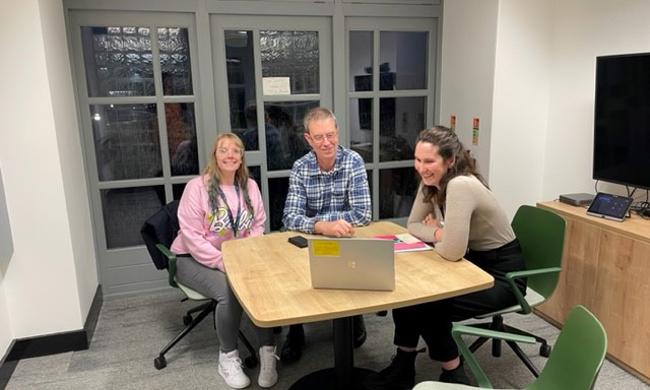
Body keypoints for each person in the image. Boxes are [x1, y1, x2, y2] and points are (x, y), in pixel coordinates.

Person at [371, 126, 527, 389]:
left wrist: (439, 236)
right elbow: (412, 225)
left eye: (429, 161)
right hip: (473, 262)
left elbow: (453, 251)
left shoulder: (460, 185)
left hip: (502, 276)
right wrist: (442, 232)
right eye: (418, 160)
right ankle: (404, 362)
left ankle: (454, 372)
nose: (421, 168)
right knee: (409, 295)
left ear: (450, 160)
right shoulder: (432, 180)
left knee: (430, 304)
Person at [171, 133, 279, 389]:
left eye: (236, 151)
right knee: (228, 292)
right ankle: (227, 356)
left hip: (237, 257)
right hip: (190, 259)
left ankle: (267, 352)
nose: (230, 155)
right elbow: (192, 237)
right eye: (224, 150)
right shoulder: (196, 187)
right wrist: (223, 262)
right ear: (215, 156)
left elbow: (258, 225)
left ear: (242, 157)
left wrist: (245, 257)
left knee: (261, 283)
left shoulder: (249, 186)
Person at [281, 107, 372, 363]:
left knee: (352, 265)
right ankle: (295, 329)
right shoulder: (300, 167)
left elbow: (363, 213)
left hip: (346, 236)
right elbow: (290, 216)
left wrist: (334, 228)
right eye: (319, 137)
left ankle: (354, 315)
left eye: (330, 135)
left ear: (338, 132)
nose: (326, 142)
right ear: (308, 139)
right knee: (294, 274)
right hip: (312, 236)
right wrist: (322, 227)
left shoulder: (353, 161)